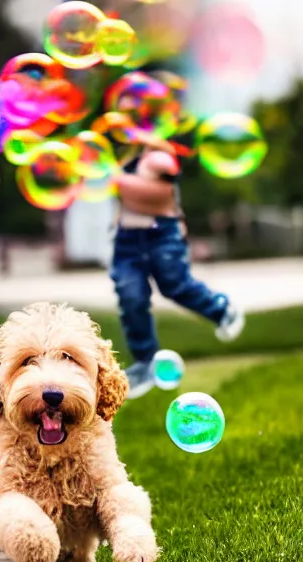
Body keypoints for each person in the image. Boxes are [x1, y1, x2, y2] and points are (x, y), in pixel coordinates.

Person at [111, 139, 245, 399]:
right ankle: (146, 363)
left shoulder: (161, 155)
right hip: (127, 240)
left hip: (162, 235)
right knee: (131, 297)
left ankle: (221, 309)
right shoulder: (123, 161)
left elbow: (154, 194)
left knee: (175, 285)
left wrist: (112, 178)